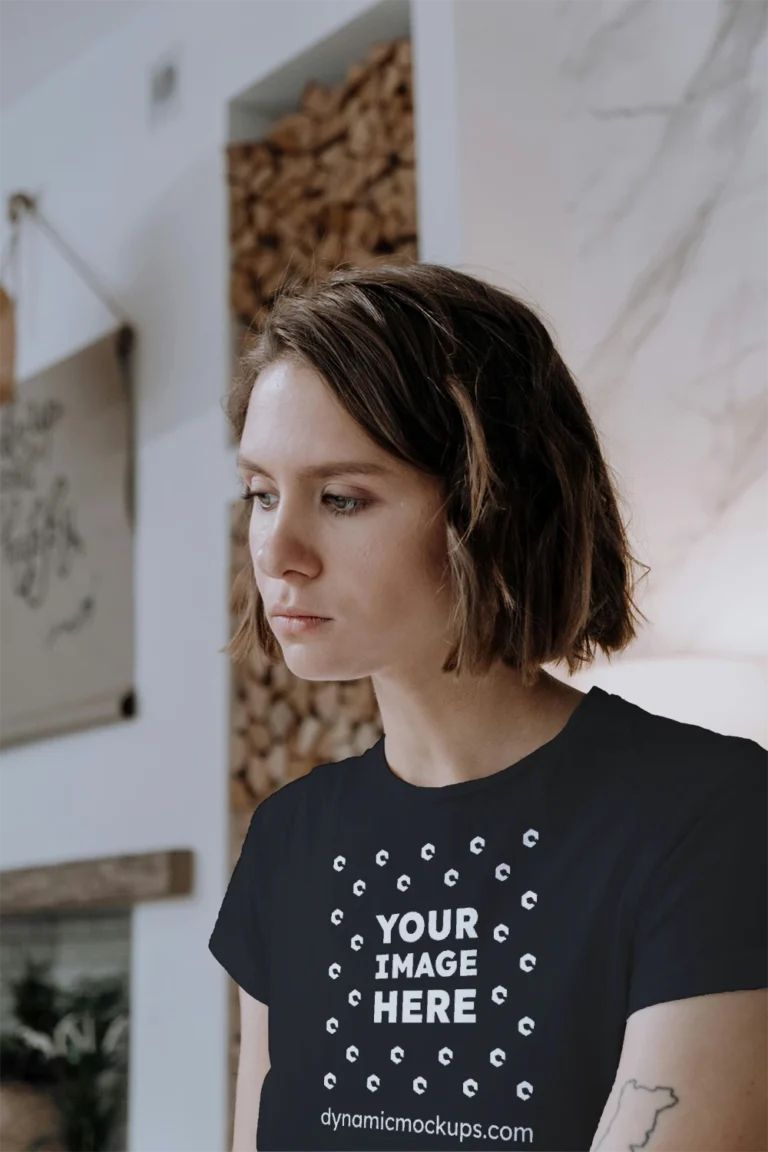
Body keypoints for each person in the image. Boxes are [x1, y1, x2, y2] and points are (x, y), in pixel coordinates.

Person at [208, 262, 768, 1152]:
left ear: (492, 504)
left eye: (342, 497)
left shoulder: (708, 813)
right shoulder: (288, 841)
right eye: (261, 494)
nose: (278, 549)